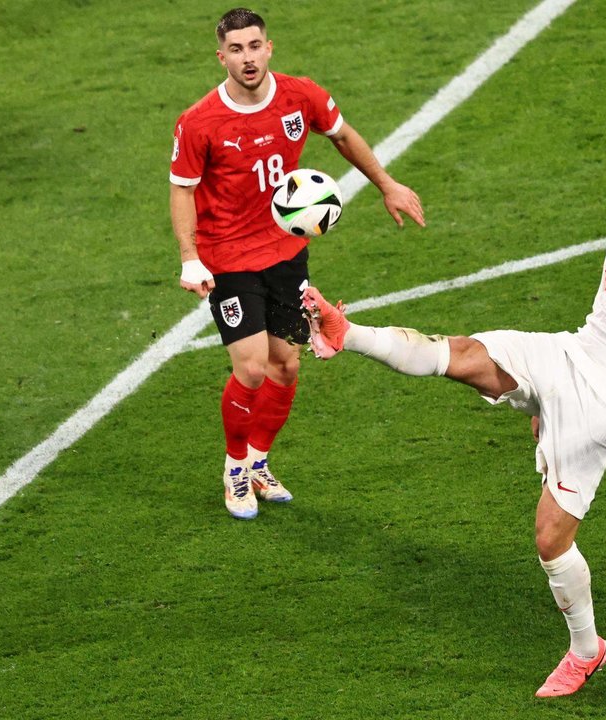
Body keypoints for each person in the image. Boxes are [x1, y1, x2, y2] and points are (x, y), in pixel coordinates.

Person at [301, 177, 606, 697]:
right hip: (570, 354)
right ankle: (344, 333)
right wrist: (542, 399)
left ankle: (587, 651)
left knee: (550, 539)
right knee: (463, 355)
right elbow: (600, 328)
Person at [169, 8, 425, 520]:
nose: (247, 57)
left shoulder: (299, 94)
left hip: (286, 254)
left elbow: (343, 135)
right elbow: (182, 189)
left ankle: (260, 462)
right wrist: (190, 257)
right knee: (251, 367)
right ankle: (235, 468)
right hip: (229, 259)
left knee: (285, 367)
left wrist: (387, 184)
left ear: (269, 48)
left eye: (254, 46)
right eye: (236, 49)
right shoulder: (199, 122)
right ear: (221, 57)